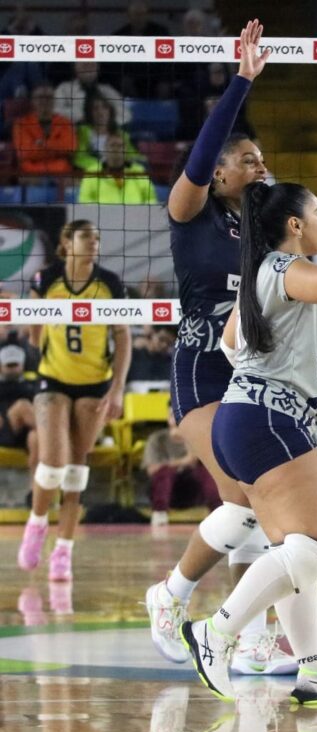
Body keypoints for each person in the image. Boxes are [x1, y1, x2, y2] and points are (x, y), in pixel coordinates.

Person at [180, 177, 317, 704]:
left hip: (245, 414)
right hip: (269, 421)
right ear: (294, 225)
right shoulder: (281, 268)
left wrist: (313, 368)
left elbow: (232, 345)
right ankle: (217, 632)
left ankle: (315, 668)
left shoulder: (260, 273)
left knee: (292, 552)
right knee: (312, 550)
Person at [144, 21, 295, 678]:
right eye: (249, 159)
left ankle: (253, 636)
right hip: (201, 368)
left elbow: (278, 312)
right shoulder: (191, 212)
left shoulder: (256, 235)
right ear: (223, 171)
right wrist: (242, 80)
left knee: (258, 500)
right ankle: (171, 595)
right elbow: (201, 159)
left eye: (264, 158)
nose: (260, 166)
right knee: (245, 496)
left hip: (252, 372)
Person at [16, 220, 131, 581]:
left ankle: (64, 550)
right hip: (53, 380)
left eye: (97, 237)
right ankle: (36, 524)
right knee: (52, 464)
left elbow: (124, 336)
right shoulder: (45, 279)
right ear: (67, 242)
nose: (94, 242)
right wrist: (35, 329)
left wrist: (117, 389)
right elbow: (32, 334)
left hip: (95, 383)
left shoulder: (109, 282)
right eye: (86, 236)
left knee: (76, 471)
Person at [144, 412, 220, 526]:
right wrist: (183, 461)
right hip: (166, 491)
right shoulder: (157, 439)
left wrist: (188, 440)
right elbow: (152, 470)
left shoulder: (198, 437)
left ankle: (218, 512)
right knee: (164, 472)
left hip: (193, 490)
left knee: (205, 472)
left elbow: (211, 466)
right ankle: (159, 513)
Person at [12, 84, 76, 178]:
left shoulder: (65, 122)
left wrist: (42, 145)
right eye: (40, 97)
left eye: (49, 97)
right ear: (32, 101)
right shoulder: (20, 124)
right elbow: (25, 153)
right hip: (31, 175)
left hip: (61, 174)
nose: (45, 101)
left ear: (54, 100)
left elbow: (70, 147)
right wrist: (56, 149)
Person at [77, 133, 159, 205]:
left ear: (126, 149)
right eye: (112, 145)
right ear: (105, 149)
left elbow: (151, 199)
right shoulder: (93, 172)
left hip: (134, 218)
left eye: (120, 146)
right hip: (103, 219)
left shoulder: (138, 171)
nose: (116, 149)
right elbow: (84, 200)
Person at [73, 91, 143, 173]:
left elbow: (131, 155)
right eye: (95, 108)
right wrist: (104, 166)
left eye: (105, 107)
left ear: (110, 111)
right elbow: (79, 158)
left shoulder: (121, 134)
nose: (100, 112)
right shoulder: (82, 131)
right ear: (89, 112)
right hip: (93, 173)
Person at [53, 63, 130, 128]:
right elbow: (54, 112)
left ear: (98, 69)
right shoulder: (64, 88)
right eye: (84, 65)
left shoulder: (108, 90)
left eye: (92, 65)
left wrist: (105, 123)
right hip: (73, 133)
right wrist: (83, 117)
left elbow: (126, 115)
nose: (88, 68)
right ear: (75, 68)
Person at [0, 343, 38, 469]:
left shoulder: (33, 384)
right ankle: (57, 436)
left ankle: (35, 488)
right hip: (4, 428)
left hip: (27, 430)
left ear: (22, 365)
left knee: (35, 439)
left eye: (15, 364)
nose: (12, 368)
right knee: (23, 406)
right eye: (9, 365)